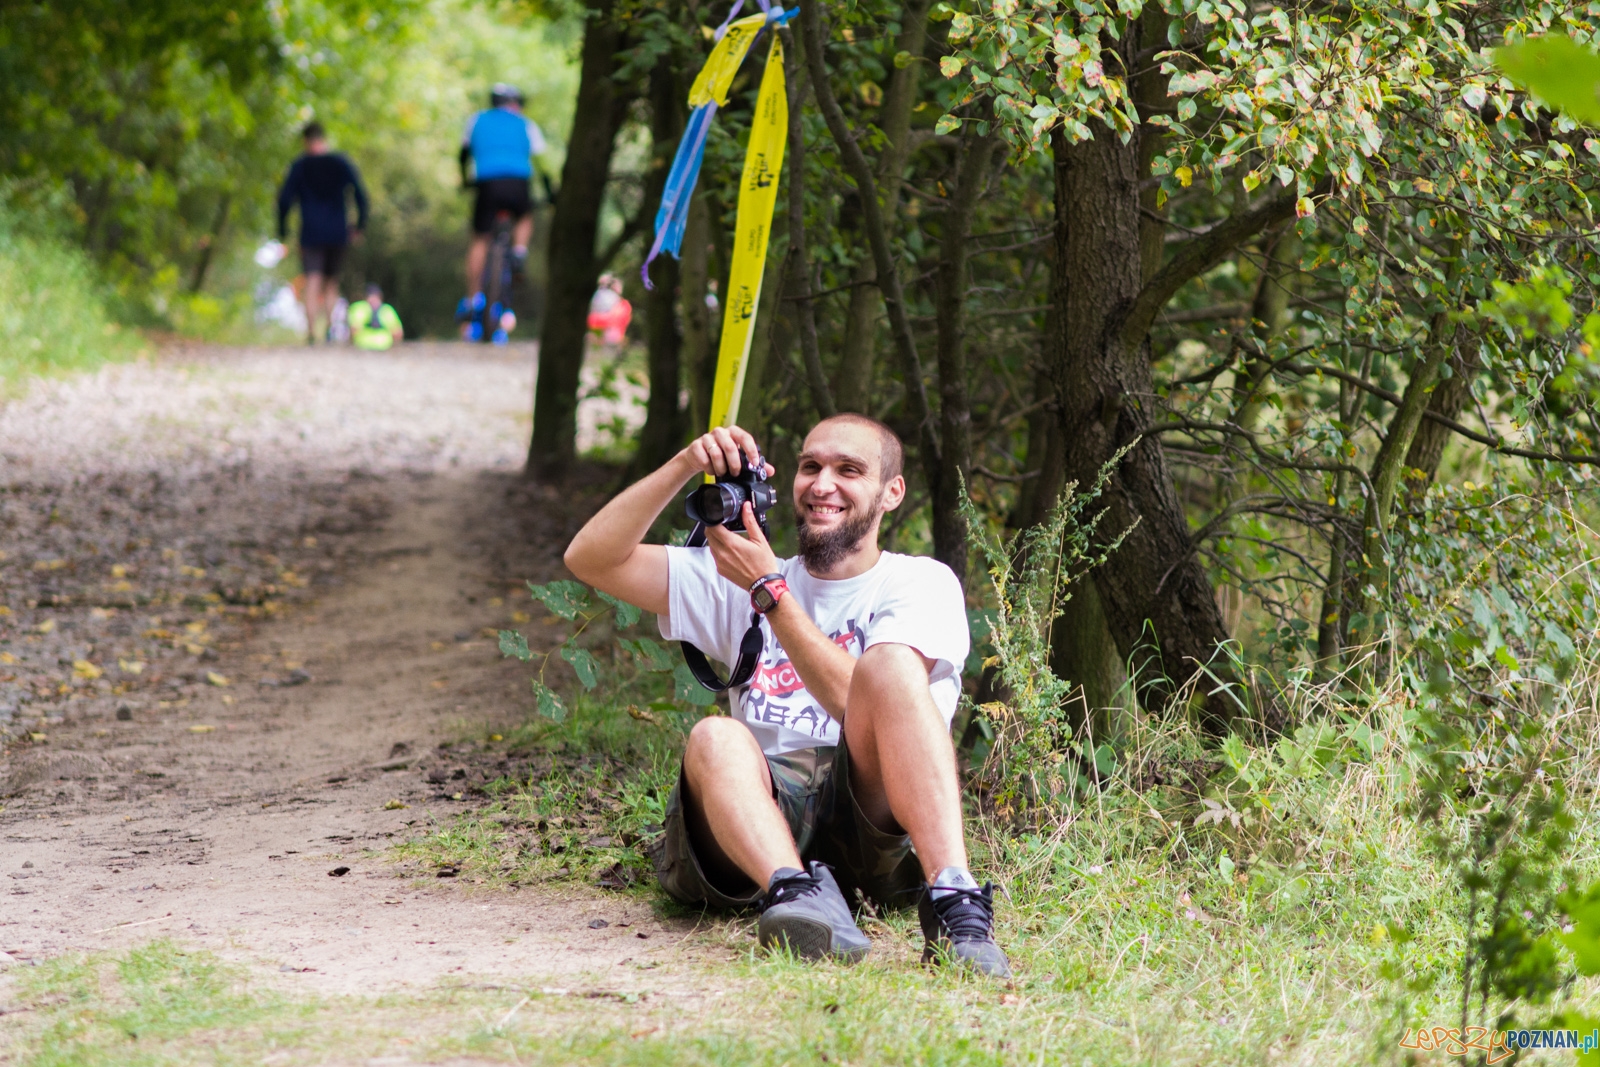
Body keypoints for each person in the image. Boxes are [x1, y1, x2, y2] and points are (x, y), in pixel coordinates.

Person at [563, 417, 1011, 976]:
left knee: (892, 667)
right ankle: (798, 898)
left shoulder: (919, 582)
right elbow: (591, 559)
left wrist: (769, 593)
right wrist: (686, 465)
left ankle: (954, 902)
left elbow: (861, 701)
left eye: (849, 470)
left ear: (891, 492)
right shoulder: (739, 572)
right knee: (715, 736)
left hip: (871, 818)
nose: (823, 484)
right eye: (810, 466)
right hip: (761, 822)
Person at [276, 122, 369, 346]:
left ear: (305, 141)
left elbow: (284, 200)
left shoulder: (300, 166)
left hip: (310, 232)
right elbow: (361, 195)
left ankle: (311, 333)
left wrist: (282, 229)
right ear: (323, 139)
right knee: (331, 282)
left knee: (312, 280)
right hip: (338, 231)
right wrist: (359, 226)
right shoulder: (340, 162)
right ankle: (329, 330)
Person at [460, 84, 546, 313]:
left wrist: (464, 180)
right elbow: (539, 160)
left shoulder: (476, 120)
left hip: (487, 183)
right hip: (518, 182)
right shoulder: (525, 123)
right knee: (525, 216)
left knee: (480, 239)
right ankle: (519, 252)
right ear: (514, 103)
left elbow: (463, 154)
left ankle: (472, 299)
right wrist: (548, 188)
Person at [348, 284, 403, 351]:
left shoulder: (358, 308)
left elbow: (354, 329)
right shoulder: (387, 310)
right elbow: (398, 333)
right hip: (383, 346)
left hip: (363, 346)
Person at [586, 274, 632, 346]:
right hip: (601, 329)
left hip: (611, 333)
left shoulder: (622, 304)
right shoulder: (604, 296)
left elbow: (618, 319)